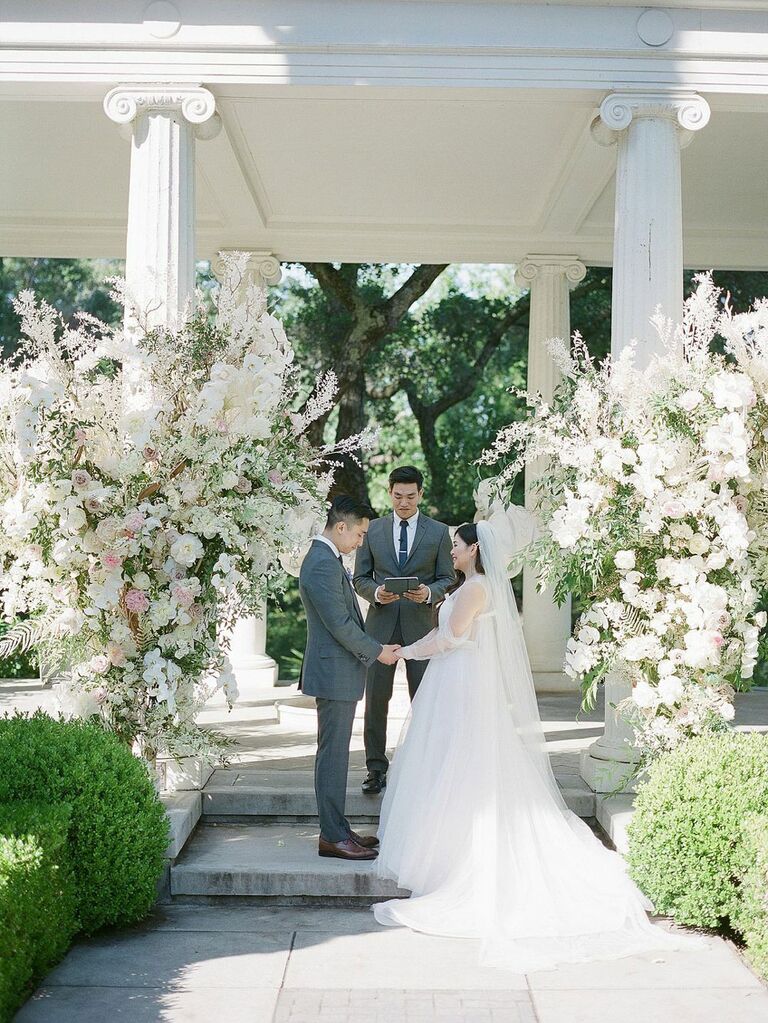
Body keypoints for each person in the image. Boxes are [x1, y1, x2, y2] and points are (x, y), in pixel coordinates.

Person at [373, 501, 703, 971]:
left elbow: (450, 640)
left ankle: (459, 854)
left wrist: (404, 651)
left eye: (456, 545)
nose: (451, 550)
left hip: (459, 681)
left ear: (474, 551)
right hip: (458, 680)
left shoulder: (473, 591)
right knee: (453, 760)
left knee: (459, 761)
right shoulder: (476, 586)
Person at [299, 495, 401, 861]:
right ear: (341, 527)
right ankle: (332, 836)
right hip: (333, 673)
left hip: (337, 671)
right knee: (333, 756)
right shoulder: (322, 563)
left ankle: (339, 831)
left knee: (337, 754)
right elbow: (340, 624)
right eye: (358, 534)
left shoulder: (326, 559)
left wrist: (375, 646)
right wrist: (377, 651)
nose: (360, 543)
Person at [353, 466, 454, 794]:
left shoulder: (438, 532)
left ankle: (426, 765)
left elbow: (449, 578)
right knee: (376, 700)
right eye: (398, 496)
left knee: (424, 698)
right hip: (379, 626)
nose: (404, 502)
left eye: (410, 496)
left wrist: (428, 594)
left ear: (420, 494)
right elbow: (360, 578)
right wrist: (376, 593)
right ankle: (375, 769)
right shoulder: (374, 530)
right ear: (389, 492)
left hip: (422, 626)